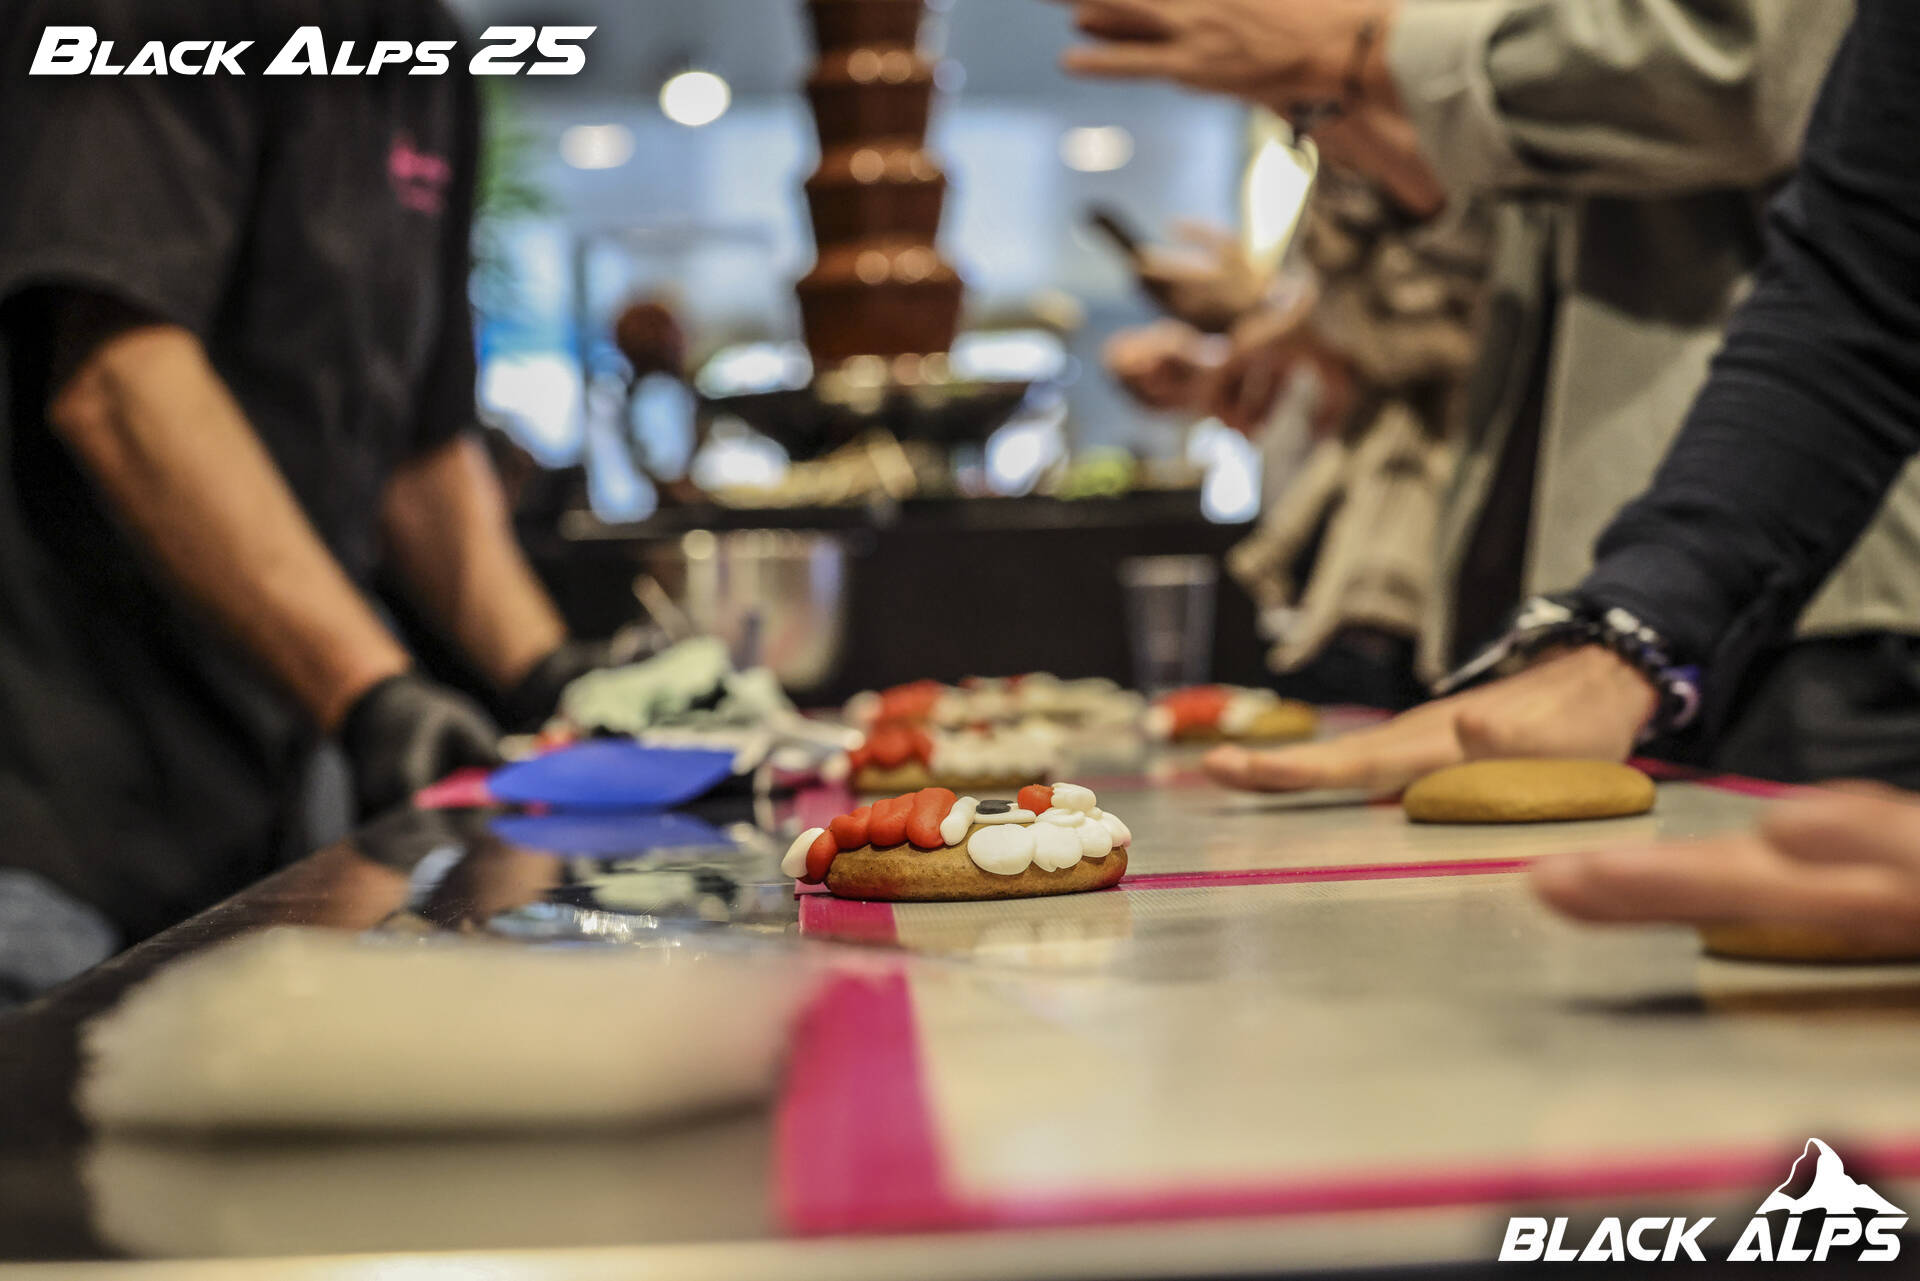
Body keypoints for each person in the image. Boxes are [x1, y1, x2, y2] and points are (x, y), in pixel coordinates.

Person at [1058, 0, 1920, 791]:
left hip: (1815, 593)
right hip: (1627, 588)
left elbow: (1755, 73)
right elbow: (1847, 286)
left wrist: (1360, 51)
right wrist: (1629, 627)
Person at [0, 0, 608, 989]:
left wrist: (554, 678)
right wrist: (371, 690)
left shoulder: (430, 54)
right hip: (64, 808)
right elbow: (118, 380)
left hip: (267, 801)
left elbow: (421, 455)